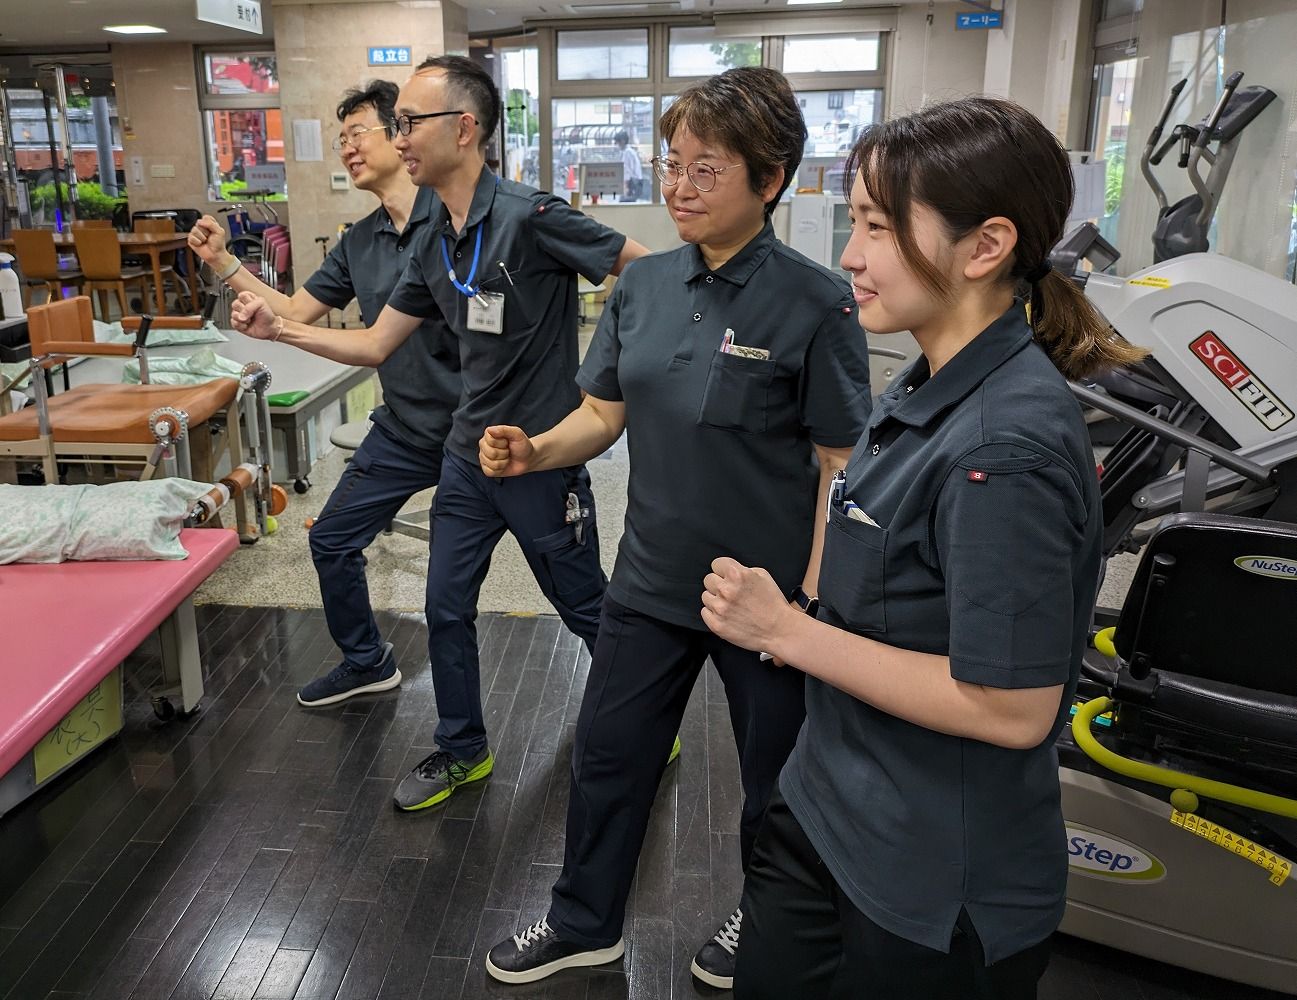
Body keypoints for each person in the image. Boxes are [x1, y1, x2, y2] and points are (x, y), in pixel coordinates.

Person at [700, 97, 1149, 999]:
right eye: (854, 221)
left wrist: (784, 630)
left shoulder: (1001, 449)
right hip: (830, 808)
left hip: (926, 883)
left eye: (875, 226)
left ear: (984, 247)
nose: (850, 255)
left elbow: (1010, 710)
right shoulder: (923, 379)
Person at [478, 67, 872, 990]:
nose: (679, 187)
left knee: (774, 783)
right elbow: (601, 415)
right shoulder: (642, 285)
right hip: (650, 580)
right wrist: (534, 449)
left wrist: (809, 603)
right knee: (609, 758)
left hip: (765, 598)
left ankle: (761, 921)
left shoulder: (817, 302)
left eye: (707, 169)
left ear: (769, 180)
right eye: (672, 164)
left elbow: (839, 462)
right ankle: (583, 922)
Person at [229, 55, 648, 812]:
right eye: (394, 126)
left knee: (583, 605)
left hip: (540, 461)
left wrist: (599, 383)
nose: (398, 138)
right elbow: (372, 345)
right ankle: (462, 750)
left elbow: (644, 277)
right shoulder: (430, 241)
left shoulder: (532, 216)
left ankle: (644, 724)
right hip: (464, 458)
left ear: (464, 128)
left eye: (407, 124)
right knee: (447, 607)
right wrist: (281, 329)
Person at [188, 81, 460, 708]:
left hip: (481, 430)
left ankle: (627, 703)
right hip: (407, 426)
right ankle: (366, 660)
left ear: (402, 132)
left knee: (552, 579)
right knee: (332, 538)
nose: (346, 149)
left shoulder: (456, 219)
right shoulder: (360, 241)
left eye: (356, 133)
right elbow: (295, 311)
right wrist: (226, 264)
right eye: (340, 140)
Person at [614, 130, 643, 202]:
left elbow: (627, 171)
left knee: (624, 202)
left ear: (623, 141)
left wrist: (625, 187)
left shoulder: (628, 152)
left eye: (617, 142)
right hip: (634, 183)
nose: (617, 145)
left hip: (632, 184)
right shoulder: (627, 151)